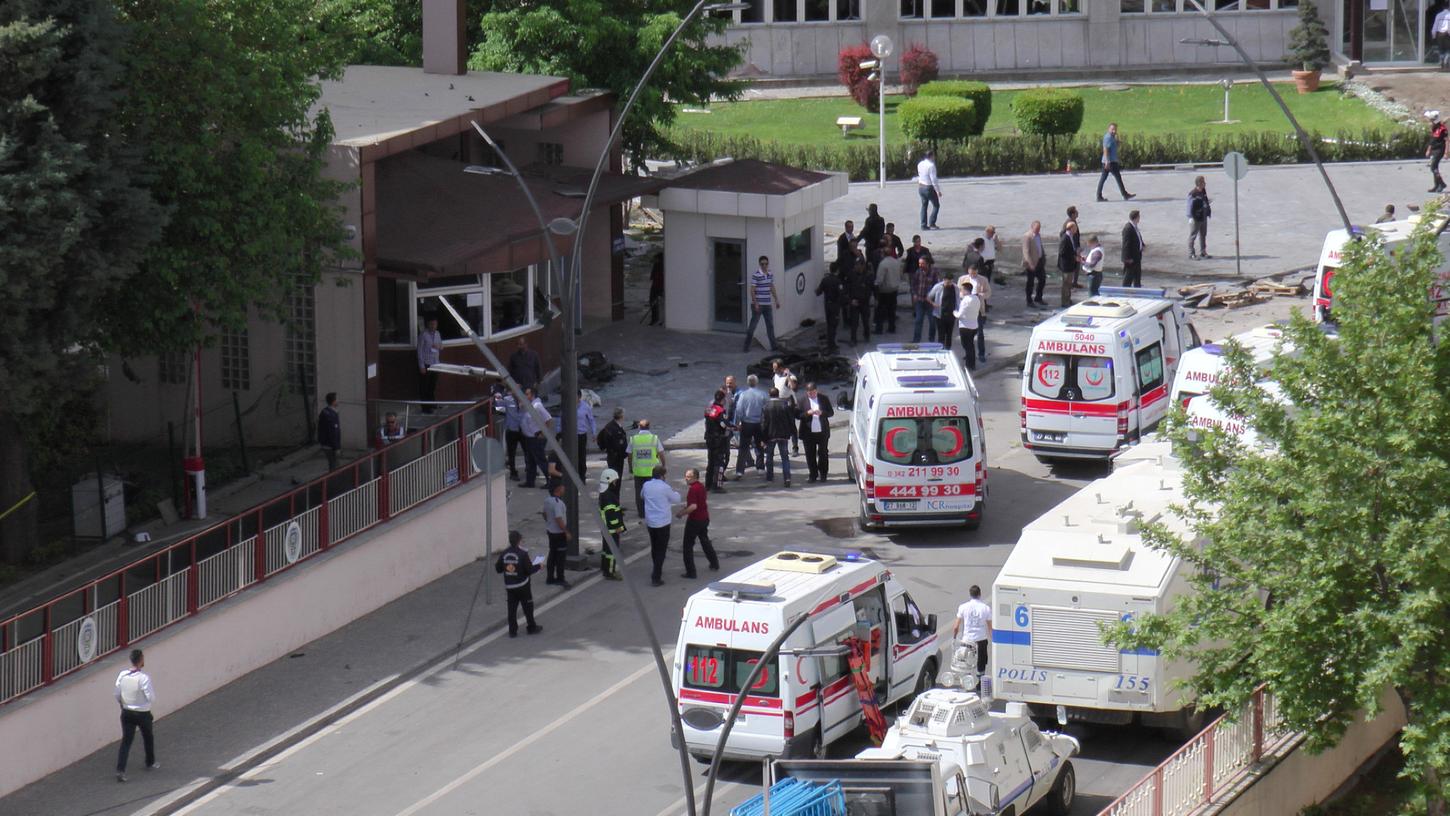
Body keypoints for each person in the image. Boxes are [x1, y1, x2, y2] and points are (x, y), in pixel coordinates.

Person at [114, 649, 157, 782]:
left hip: (127, 712)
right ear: (141, 660)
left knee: (126, 741)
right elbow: (151, 697)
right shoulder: (143, 678)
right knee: (148, 736)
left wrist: (123, 703)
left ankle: (120, 770)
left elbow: (117, 693)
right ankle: (150, 762)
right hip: (142, 713)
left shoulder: (122, 675)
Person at [495, 530, 543, 637]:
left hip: (510, 586)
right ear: (518, 541)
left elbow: (498, 569)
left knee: (511, 609)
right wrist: (539, 566)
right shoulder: (523, 554)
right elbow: (529, 570)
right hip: (523, 586)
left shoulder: (504, 553)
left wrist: (508, 567)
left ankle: (512, 631)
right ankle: (531, 627)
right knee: (528, 607)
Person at [640, 465, 681, 586]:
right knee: (661, 549)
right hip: (663, 522)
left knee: (654, 546)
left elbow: (642, 496)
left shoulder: (646, 485)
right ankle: (656, 575)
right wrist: (675, 492)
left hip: (651, 522)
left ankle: (656, 567)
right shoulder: (665, 487)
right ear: (663, 476)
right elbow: (677, 499)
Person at [676, 468, 719, 578]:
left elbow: (693, 506)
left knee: (687, 546)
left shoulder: (693, 489)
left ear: (695, 477)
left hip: (695, 520)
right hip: (704, 518)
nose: (686, 478)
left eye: (688, 476)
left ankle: (691, 572)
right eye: (686, 476)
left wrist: (682, 513)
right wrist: (687, 507)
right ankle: (714, 563)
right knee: (705, 541)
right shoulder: (700, 486)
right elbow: (698, 503)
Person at [797, 382, 834, 483]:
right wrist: (807, 413)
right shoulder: (802, 400)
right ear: (807, 392)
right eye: (810, 393)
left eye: (813, 392)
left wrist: (822, 413)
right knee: (810, 454)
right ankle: (813, 474)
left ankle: (823, 474)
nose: (812, 395)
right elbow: (797, 415)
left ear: (816, 391)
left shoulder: (823, 398)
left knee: (823, 453)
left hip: (822, 432)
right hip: (808, 432)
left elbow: (831, 412)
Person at [952, 585, 993, 677]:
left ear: (970, 595)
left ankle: (968, 683)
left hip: (967, 640)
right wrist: (994, 641)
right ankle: (980, 685)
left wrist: (954, 638)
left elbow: (956, 627)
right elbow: (990, 628)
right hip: (981, 639)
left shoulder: (963, 607)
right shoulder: (985, 608)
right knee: (981, 664)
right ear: (980, 594)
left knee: (967, 663)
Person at [742, 255, 781, 353]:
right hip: (758, 305)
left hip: (767, 304)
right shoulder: (756, 275)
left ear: (768, 264)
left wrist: (776, 300)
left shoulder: (770, 274)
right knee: (753, 326)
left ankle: (774, 346)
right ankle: (746, 346)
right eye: (762, 264)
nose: (764, 266)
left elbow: (771, 286)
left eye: (766, 264)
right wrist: (755, 303)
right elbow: (752, 290)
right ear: (760, 264)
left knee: (770, 325)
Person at [626, 418, 664, 516]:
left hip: (638, 471)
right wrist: (663, 465)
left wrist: (630, 467)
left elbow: (629, 455)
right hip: (652, 472)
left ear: (639, 427)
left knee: (639, 492)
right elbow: (661, 453)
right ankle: (652, 511)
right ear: (649, 427)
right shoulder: (654, 438)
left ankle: (642, 513)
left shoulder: (633, 439)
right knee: (653, 492)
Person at [733, 375, 767, 476]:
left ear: (748, 383)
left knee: (743, 447)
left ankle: (740, 470)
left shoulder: (743, 395)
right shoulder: (763, 394)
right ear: (756, 383)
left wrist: (739, 421)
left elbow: (738, 410)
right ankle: (760, 467)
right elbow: (766, 409)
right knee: (759, 445)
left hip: (746, 423)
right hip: (758, 423)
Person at [519, 386, 551, 488]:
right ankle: (530, 481)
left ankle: (550, 481)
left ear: (532, 395)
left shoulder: (537, 405)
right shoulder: (529, 405)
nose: (525, 396)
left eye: (527, 394)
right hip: (529, 437)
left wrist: (543, 433)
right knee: (530, 461)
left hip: (536, 437)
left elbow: (548, 419)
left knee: (541, 460)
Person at [541, 482, 572, 588]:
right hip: (559, 534)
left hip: (551, 532)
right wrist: (566, 531)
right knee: (560, 557)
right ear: (558, 489)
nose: (564, 489)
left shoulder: (547, 500)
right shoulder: (558, 503)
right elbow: (559, 518)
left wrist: (549, 523)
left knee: (552, 555)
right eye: (563, 487)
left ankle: (550, 577)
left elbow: (544, 513)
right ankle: (560, 578)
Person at [762, 387, 795, 487]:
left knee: (769, 456)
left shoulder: (766, 407)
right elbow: (790, 420)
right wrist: (792, 432)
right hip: (783, 434)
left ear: (769, 394)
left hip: (771, 434)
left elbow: (764, 423)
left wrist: (763, 437)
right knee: (784, 457)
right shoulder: (785, 405)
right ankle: (787, 477)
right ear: (778, 394)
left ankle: (770, 476)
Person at [596, 469, 624, 580]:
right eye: (614, 481)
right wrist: (617, 526)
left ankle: (605, 567)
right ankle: (610, 571)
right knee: (612, 551)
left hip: (605, 527)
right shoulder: (609, 496)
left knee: (606, 549)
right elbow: (611, 514)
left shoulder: (603, 493)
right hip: (611, 529)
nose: (615, 483)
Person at [1096, 122, 1136, 202]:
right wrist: (1107, 161)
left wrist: (1117, 141)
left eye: (1115, 129)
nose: (1114, 131)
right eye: (1112, 129)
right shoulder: (1108, 137)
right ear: (1108, 129)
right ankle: (1125, 194)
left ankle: (1099, 196)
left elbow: (1113, 146)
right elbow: (1106, 150)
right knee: (1118, 178)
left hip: (1109, 161)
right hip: (1110, 162)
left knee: (1103, 178)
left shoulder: (1112, 137)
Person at [704, 390, 730, 492]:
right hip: (718, 439)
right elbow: (723, 424)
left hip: (709, 438)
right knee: (719, 463)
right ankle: (717, 486)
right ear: (723, 399)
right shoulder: (720, 410)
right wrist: (731, 427)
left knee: (710, 462)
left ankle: (708, 484)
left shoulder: (709, 409)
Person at [954, 280, 983, 372]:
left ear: (966, 290)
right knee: (971, 345)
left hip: (965, 326)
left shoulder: (965, 300)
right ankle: (972, 364)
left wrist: (954, 312)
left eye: (961, 290)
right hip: (974, 325)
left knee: (966, 345)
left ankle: (969, 365)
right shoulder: (976, 298)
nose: (960, 292)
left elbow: (959, 315)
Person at [874, 243, 903, 334]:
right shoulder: (896, 262)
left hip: (884, 290)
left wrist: (876, 285)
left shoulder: (883, 264)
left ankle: (879, 329)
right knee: (892, 309)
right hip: (894, 289)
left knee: (880, 310)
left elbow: (880, 279)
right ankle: (892, 327)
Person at [965, 264, 992, 363]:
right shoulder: (963, 279)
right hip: (967, 309)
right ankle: (968, 353)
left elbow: (988, 292)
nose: (973, 275)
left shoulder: (983, 280)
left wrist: (981, 295)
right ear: (968, 271)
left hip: (978, 309)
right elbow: (959, 292)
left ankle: (981, 353)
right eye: (971, 273)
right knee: (967, 333)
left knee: (980, 333)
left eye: (975, 274)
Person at [815, 262, 843, 352]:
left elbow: (818, 292)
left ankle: (830, 343)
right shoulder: (838, 281)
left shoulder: (825, 280)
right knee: (833, 325)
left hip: (827, 305)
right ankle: (832, 345)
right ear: (837, 270)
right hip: (835, 306)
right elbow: (841, 294)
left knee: (829, 325)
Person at [844, 258, 874, 345]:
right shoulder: (851, 275)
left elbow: (874, 288)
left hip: (865, 302)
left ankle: (867, 335)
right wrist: (850, 301)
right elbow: (846, 290)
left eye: (859, 265)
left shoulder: (869, 276)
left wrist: (876, 299)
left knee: (865, 320)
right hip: (855, 302)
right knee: (854, 322)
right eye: (856, 265)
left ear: (863, 266)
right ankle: (853, 339)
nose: (857, 267)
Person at [930, 267, 959, 354]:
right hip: (940, 315)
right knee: (941, 334)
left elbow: (958, 300)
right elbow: (929, 297)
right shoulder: (938, 287)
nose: (949, 284)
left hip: (951, 315)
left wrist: (958, 312)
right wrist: (933, 304)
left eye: (951, 282)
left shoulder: (955, 287)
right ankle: (940, 350)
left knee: (949, 334)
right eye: (947, 282)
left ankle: (948, 350)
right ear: (944, 280)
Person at [909, 255, 936, 343]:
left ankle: (931, 340)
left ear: (927, 264)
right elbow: (913, 284)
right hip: (919, 300)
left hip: (930, 301)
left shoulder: (934, 272)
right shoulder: (918, 272)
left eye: (922, 263)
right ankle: (916, 340)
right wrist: (914, 294)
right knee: (918, 320)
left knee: (932, 321)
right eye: (919, 263)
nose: (920, 265)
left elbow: (937, 286)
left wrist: (931, 296)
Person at [417, 317, 442, 413]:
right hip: (426, 363)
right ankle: (425, 407)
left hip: (435, 363)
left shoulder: (437, 334)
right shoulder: (423, 335)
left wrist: (438, 346)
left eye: (435, 324)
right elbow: (419, 351)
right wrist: (421, 365)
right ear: (428, 324)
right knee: (425, 386)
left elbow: (441, 346)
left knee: (432, 385)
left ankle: (432, 404)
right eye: (431, 324)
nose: (433, 326)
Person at [597, 406, 628, 478]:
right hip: (616, 457)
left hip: (612, 455)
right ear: (621, 416)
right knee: (616, 478)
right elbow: (620, 444)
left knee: (614, 477)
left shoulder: (609, 426)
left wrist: (604, 448)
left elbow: (600, 437)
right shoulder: (616, 429)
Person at [500, 386, 523, 480]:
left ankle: (530, 471)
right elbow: (498, 408)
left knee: (528, 451)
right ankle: (513, 472)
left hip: (523, 429)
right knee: (511, 452)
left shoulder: (524, 399)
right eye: (515, 389)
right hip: (512, 429)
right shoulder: (507, 400)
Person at [1022, 220, 1047, 308]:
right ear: (1032, 227)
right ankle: (1029, 300)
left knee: (1042, 280)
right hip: (1031, 263)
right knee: (1030, 282)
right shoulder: (1027, 236)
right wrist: (1030, 263)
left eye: (1039, 228)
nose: (1038, 230)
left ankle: (1038, 297)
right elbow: (1026, 251)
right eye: (1036, 228)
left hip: (1039, 261)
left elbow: (1040, 247)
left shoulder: (1038, 235)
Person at [1187, 176, 1213, 259]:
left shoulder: (1203, 191)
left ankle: (1203, 251)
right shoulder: (1193, 193)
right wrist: (1191, 217)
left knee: (1203, 234)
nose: (1205, 183)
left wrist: (1208, 208)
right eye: (1203, 182)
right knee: (1193, 235)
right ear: (1199, 183)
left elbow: (1204, 200)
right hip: (1196, 218)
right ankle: (1191, 253)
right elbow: (1189, 206)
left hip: (1203, 216)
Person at [1057, 221, 1082, 307]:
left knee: (1069, 284)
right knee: (1066, 284)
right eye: (1075, 228)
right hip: (1066, 265)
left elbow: (1072, 249)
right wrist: (1073, 257)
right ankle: (1064, 302)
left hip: (1071, 265)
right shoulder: (1065, 238)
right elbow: (1062, 252)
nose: (1076, 230)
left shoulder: (1071, 237)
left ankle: (1068, 299)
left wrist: (1076, 254)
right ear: (1071, 228)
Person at [917, 150, 942, 230]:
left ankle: (923, 224)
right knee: (936, 205)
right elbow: (933, 179)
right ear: (931, 156)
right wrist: (938, 191)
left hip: (921, 186)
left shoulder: (920, 164)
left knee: (924, 206)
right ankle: (932, 222)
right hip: (928, 187)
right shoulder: (931, 166)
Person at [575, 392, 596, 480]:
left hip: (581, 435)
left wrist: (594, 433)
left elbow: (591, 420)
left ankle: (582, 476)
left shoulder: (586, 407)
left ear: (579, 397)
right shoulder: (567, 405)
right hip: (570, 435)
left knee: (581, 456)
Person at [317, 392, 341, 471]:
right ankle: (333, 481)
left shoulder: (325, 412)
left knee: (333, 464)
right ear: (333, 401)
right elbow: (333, 432)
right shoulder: (331, 415)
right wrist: (336, 447)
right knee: (334, 465)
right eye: (337, 399)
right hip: (330, 445)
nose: (338, 401)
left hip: (326, 443)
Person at [1121, 210, 1145, 287]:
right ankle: (1124, 293)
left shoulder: (1134, 227)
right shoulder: (1128, 228)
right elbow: (1126, 244)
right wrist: (1127, 258)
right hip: (1131, 258)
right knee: (1128, 277)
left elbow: (1138, 237)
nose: (1139, 218)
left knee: (1137, 277)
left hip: (1137, 256)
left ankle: (1137, 291)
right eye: (1139, 217)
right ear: (1136, 217)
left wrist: (1142, 245)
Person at [1428, 111, 1448, 193]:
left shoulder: (1443, 129)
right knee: (1434, 167)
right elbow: (1432, 139)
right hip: (1434, 149)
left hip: (1440, 150)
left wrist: (1447, 151)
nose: (1431, 121)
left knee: (1433, 167)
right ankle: (1436, 185)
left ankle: (1442, 184)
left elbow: (1447, 141)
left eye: (1432, 119)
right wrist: (1429, 149)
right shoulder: (1434, 127)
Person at [648, 253, 664, 326]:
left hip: (657, 286)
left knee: (653, 303)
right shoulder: (663, 265)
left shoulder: (657, 265)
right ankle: (659, 320)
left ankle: (655, 319)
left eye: (656, 259)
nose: (655, 260)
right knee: (660, 304)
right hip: (660, 286)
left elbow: (653, 277)